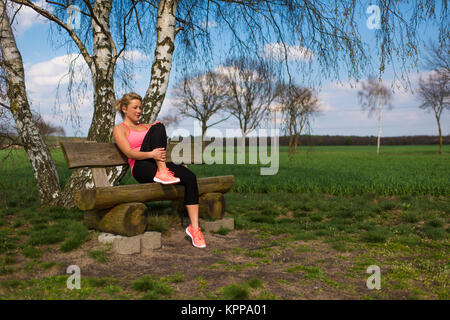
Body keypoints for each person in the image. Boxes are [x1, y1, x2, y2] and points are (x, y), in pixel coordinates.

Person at [113, 92, 206, 248]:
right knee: (157, 127)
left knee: (190, 177)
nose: (139, 111)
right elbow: (129, 153)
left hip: (157, 164)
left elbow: (158, 138)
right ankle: (162, 171)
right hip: (141, 167)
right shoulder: (120, 129)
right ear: (124, 109)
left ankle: (194, 228)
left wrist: (156, 150)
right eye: (135, 108)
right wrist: (151, 154)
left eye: (140, 108)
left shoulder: (145, 127)